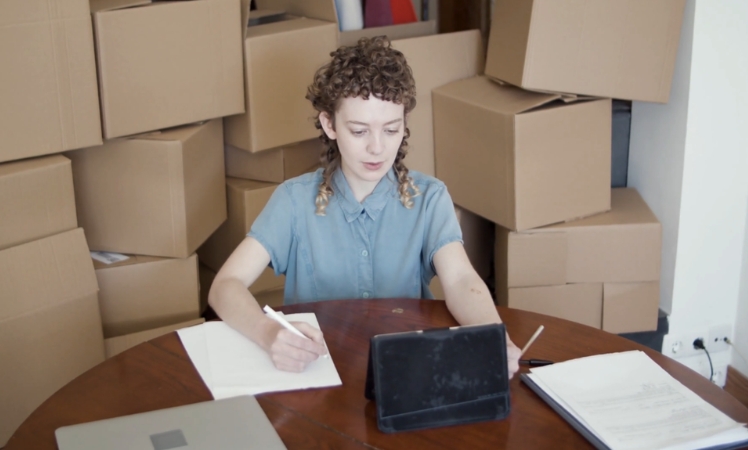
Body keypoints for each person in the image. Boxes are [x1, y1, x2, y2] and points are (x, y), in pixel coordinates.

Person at [209, 36, 522, 377]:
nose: (377, 148)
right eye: (359, 131)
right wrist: (267, 332)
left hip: (406, 371)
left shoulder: (428, 197)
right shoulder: (294, 201)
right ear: (329, 124)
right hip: (317, 370)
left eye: (391, 129)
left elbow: (461, 279)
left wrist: (493, 335)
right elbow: (225, 285)